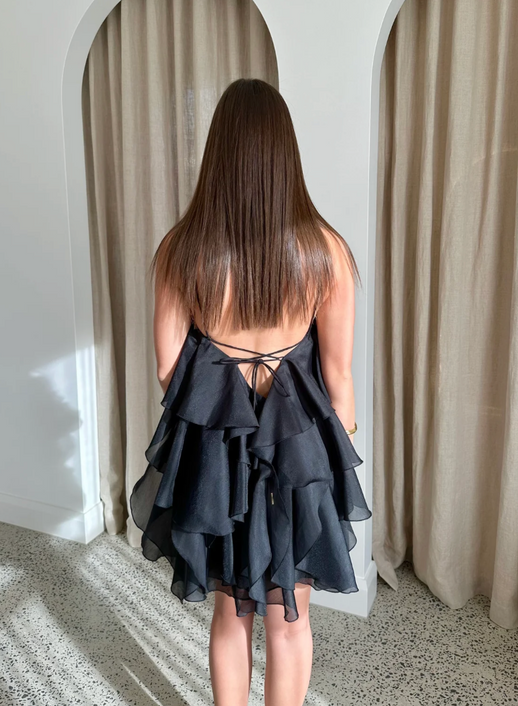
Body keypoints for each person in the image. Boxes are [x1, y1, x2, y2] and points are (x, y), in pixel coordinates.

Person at [129, 77, 372, 706]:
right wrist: (334, 454)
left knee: (230, 613)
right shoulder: (326, 252)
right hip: (298, 453)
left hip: (216, 456)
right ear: (284, 154)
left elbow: (168, 370)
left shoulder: (182, 251)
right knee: (291, 617)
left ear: (218, 155)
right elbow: (339, 377)